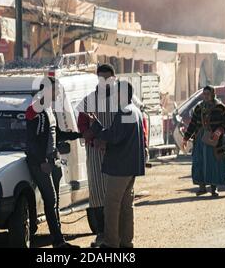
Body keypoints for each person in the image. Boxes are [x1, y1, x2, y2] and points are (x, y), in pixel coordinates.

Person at [88, 81, 146, 248]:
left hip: (120, 168)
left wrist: (96, 127)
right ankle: (126, 242)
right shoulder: (134, 111)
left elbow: (114, 137)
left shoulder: (125, 112)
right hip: (130, 167)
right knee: (126, 206)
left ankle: (111, 242)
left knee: (112, 207)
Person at [25, 77, 82, 248]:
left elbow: (56, 134)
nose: (59, 93)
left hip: (51, 160)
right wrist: (42, 160)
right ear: (48, 90)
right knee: (50, 201)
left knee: (54, 202)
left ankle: (59, 240)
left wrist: (78, 135)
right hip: (40, 163)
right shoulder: (36, 109)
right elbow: (31, 140)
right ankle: (57, 241)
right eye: (56, 90)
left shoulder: (49, 109)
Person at [77, 63, 119, 247]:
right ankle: (101, 233)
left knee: (117, 196)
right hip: (96, 154)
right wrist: (95, 140)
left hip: (118, 153)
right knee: (98, 195)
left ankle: (117, 235)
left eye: (108, 78)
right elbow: (83, 129)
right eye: (101, 78)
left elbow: (129, 127)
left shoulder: (122, 101)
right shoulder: (88, 101)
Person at [182, 85, 225, 197]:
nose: (206, 96)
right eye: (204, 94)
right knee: (199, 162)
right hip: (200, 140)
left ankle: (214, 188)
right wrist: (186, 137)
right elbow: (193, 124)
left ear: (213, 94)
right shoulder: (198, 108)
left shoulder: (220, 107)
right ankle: (202, 187)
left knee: (213, 163)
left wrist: (219, 131)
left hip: (214, 141)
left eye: (208, 94)